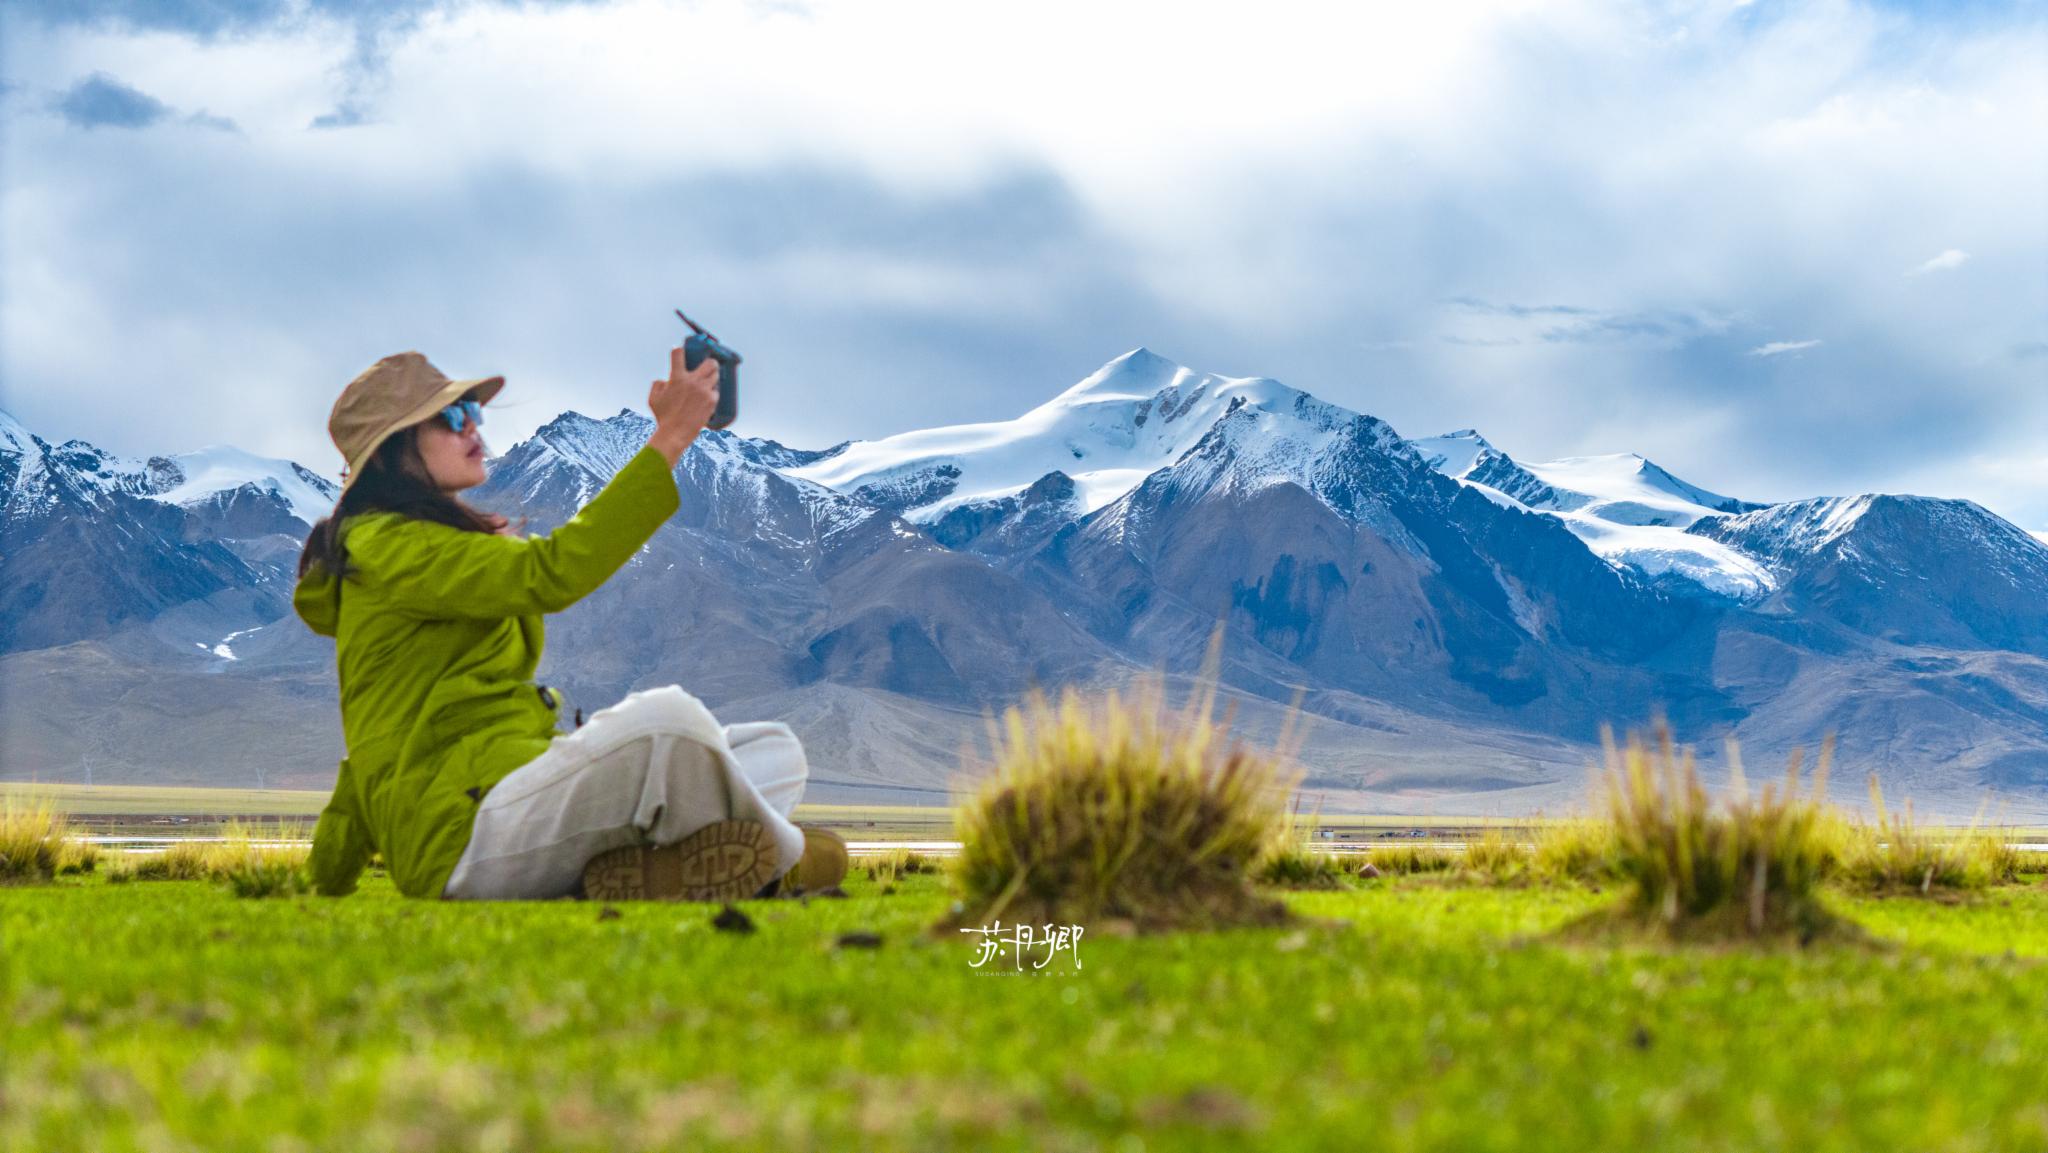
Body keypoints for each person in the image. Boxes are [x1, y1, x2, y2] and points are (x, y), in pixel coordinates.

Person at [292, 346, 847, 902]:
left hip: (499, 795)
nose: (475, 428)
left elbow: (368, 746)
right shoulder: (390, 549)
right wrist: (673, 436)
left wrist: (321, 881)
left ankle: (652, 871)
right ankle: (785, 864)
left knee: (773, 750)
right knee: (669, 724)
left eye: (475, 413)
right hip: (462, 836)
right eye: (455, 416)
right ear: (393, 451)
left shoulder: (407, 548)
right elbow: (552, 572)